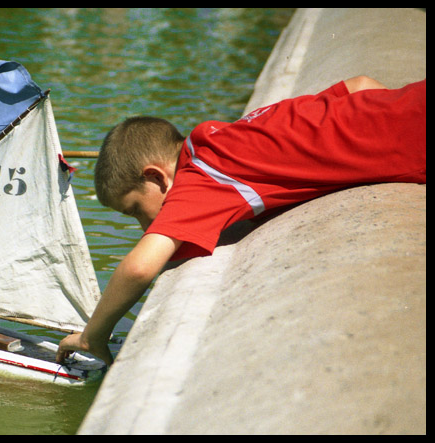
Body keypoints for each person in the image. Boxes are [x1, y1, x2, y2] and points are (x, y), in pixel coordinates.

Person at [56, 76, 426, 366]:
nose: (143, 225)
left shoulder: (201, 177)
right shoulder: (239, 130)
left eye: (136, 210)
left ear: (156, 177)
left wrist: (92, 337)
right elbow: (359, 86)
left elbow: (139, 267)